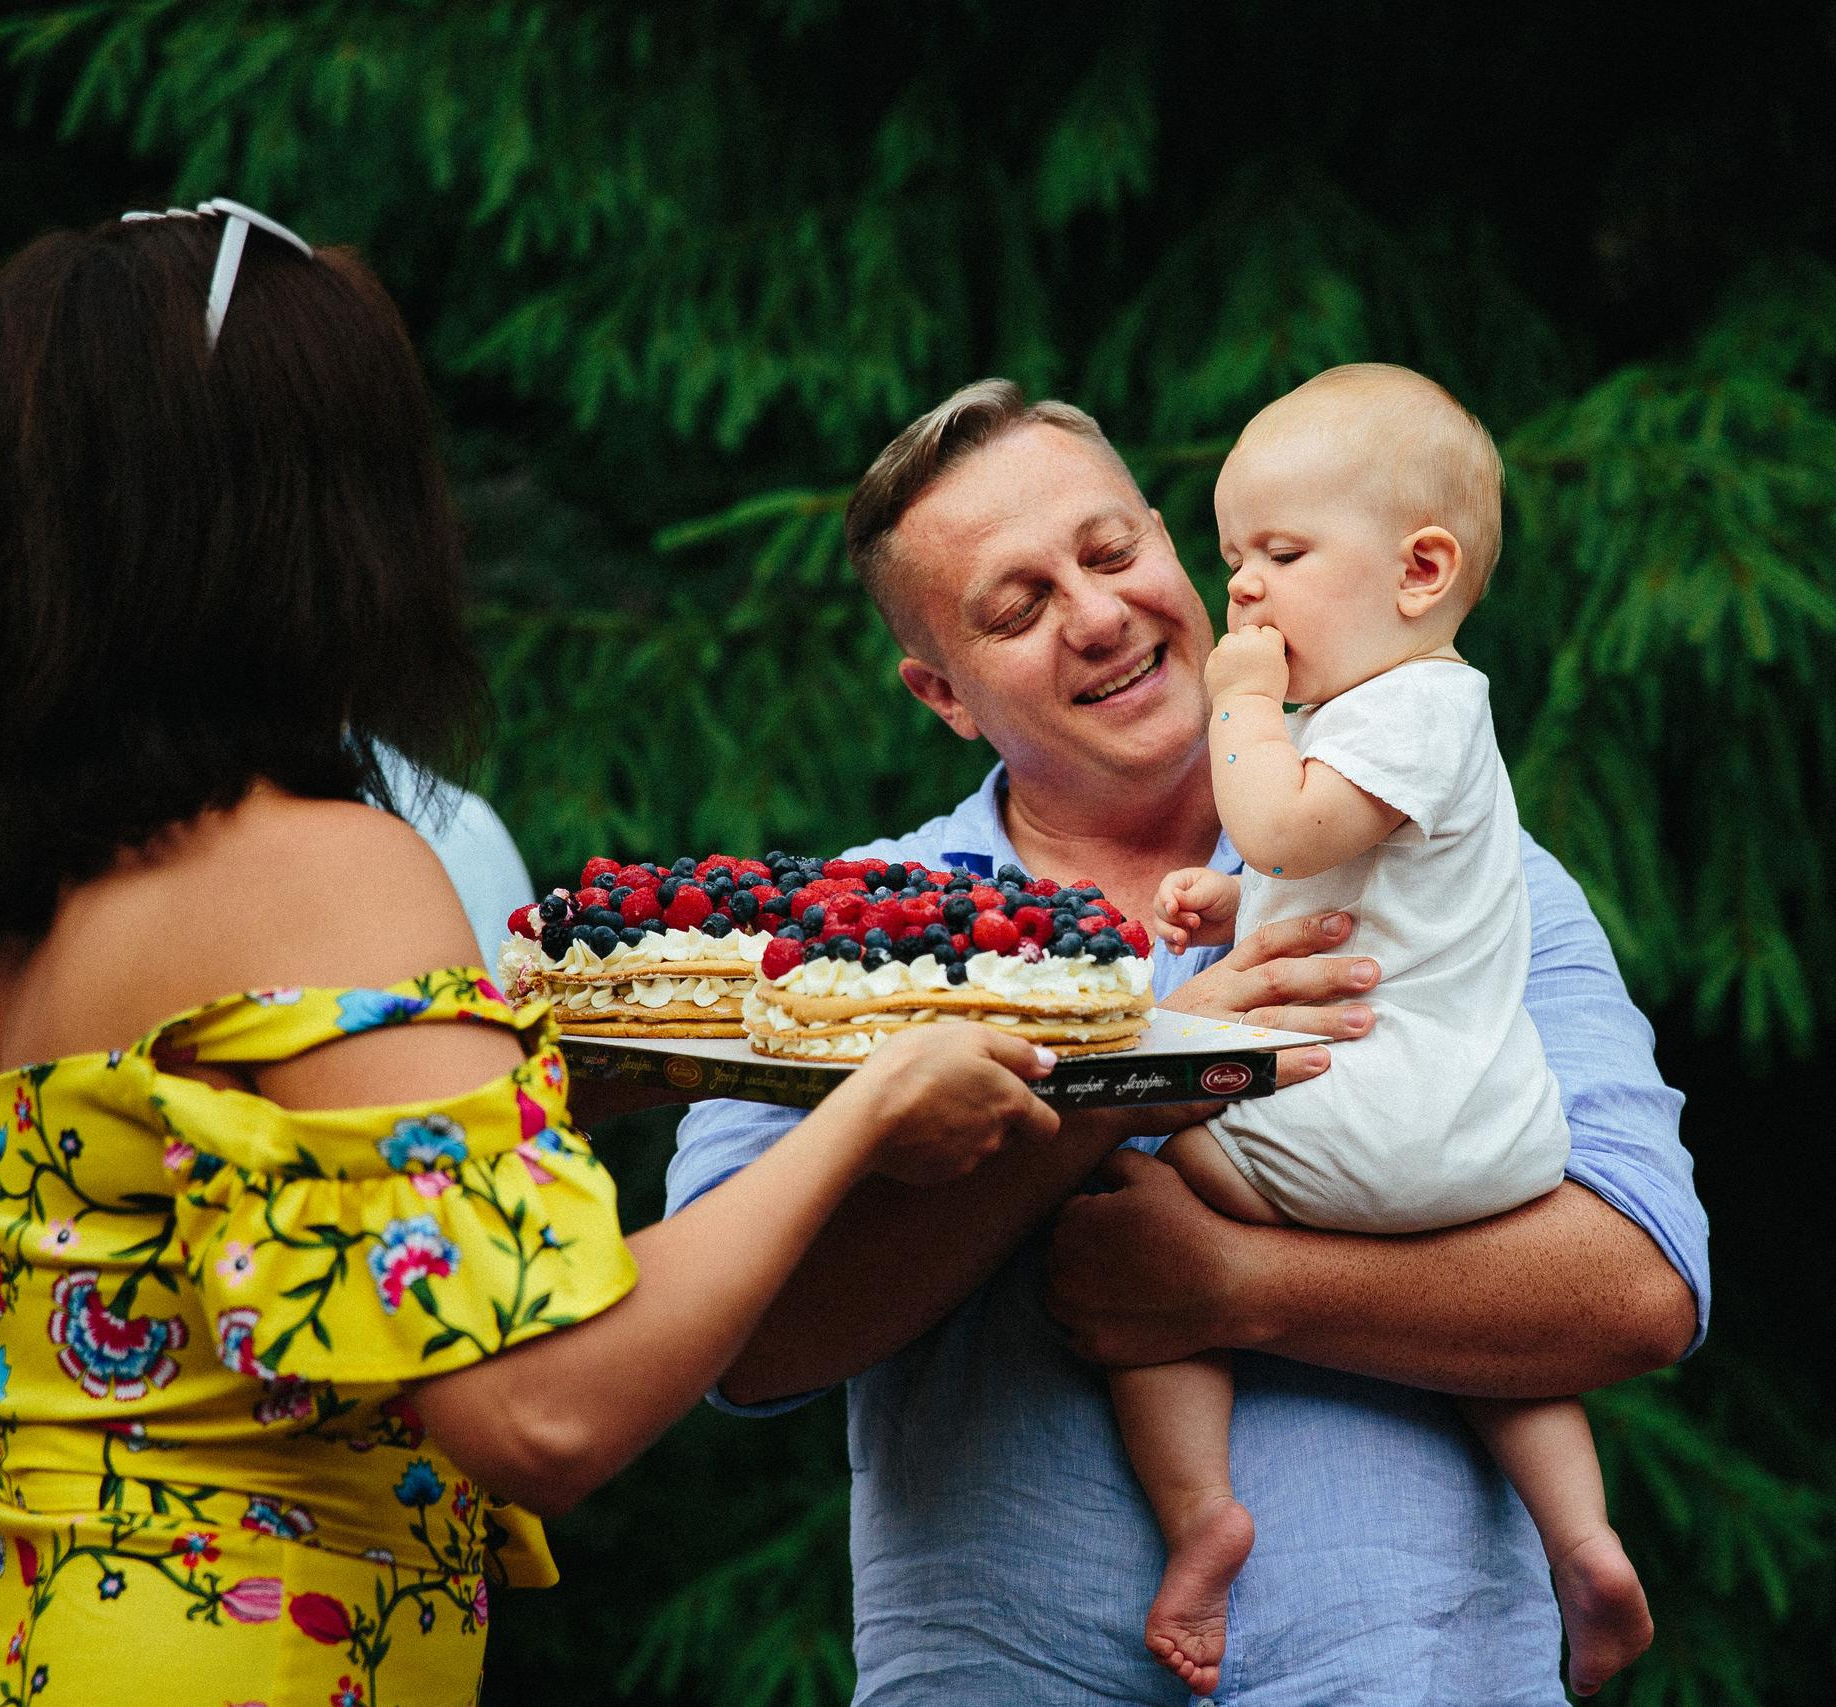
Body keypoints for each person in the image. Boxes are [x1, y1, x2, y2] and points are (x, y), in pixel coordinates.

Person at [0, 202, 1053, 1705]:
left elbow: (255, 1231)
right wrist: (865, 1115)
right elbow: (540, 1405)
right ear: (306, 516)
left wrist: (582, 1066)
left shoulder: (15, 904)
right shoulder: (323, 861)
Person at [668, 379, 1709, 1704]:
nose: (1098, 613)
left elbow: (1637, 1284)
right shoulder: (852, 926)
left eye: (1113, 553)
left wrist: (1237, 1283)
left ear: (1173, 546)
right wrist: (1123, 1084)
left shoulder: (1450, 850)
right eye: (1019, 604)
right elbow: (739, 1336)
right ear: (941, 691)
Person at [1133, 364, 1649, 1695]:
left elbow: (1286, 822)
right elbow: (1351, 882)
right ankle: (1583, 1542)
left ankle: (1201, 1512)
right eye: (1234, 552)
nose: (1239, 587)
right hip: (1482, 1135)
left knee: (1119, 1145)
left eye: (1283, 553)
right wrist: (1235, 898)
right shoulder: (1397, 727)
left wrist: (1237, 708)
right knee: (1484, 1339)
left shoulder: (1414, 704)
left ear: (1422, 570)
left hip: (1378, 1109)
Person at [0, 756, 535, 1674]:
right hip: (241, 1639)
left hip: (5, 1633)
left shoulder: (22, 869)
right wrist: (818, 1116)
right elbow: (535, 1411)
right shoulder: (352, 856)